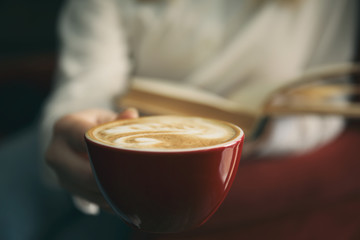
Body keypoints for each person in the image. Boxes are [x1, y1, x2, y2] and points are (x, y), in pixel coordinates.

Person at [2, 0, 359, 239]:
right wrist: (77, 128)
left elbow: (327, 94)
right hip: (111, 139)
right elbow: (87, 84)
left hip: (234, 149)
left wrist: (269, 132)